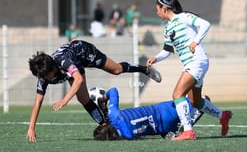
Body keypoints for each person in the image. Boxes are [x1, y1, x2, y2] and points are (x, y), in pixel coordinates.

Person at [26, 40, 161, 143]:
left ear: (52, 69)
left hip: (84, 51)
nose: (44, 79)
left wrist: (64, 100)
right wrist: (31, 128)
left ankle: (145, 69)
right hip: (76, 65)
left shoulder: (63, 62)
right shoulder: (44, 76)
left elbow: (78, 79)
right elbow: (38, 102)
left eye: (46, 76)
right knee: (83, 98)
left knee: (117, 70)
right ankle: (105, 124)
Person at [146, 0, 232, 141]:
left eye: (157, 9)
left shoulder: (184, 17)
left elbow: (205, 24)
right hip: (193, 63)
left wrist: (195, 41)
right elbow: (167, 50)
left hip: (196, 61)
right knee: (195, 102)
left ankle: (188, 131)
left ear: (165, 8)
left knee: (177, 95)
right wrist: (156, 58)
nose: (157, 12)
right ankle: (222, 116)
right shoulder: (168, 28)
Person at [93, 87, 208, 140]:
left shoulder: (126, 136)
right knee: (201, 99)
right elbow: (113, 90)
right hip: (162, 110)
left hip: (163, 127)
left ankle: (176, 131)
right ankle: (199, 111)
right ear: (104, 125)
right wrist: (104, 98)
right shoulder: (113, 114)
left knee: (164, 129)